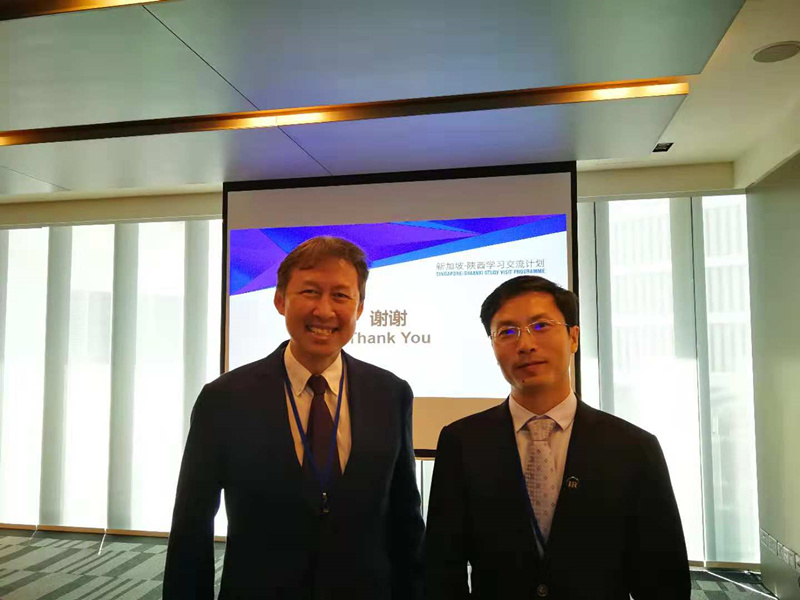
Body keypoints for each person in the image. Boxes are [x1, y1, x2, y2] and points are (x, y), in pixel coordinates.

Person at [163, 236, 424, 600]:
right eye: (310, 292)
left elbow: (405, 518)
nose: (324, 310)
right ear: (280, 300)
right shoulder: (224, 399)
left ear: (360, 307)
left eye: (340, 295)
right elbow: (192, 523)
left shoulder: (390, 393)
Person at [424, 275, 689, 599]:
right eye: (507, 332)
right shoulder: (461, 442)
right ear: (492, 346)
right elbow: (442, 566)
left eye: (541, 326)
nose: (525, 344)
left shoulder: (634, 448)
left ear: (573, 337)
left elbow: (664, 578)